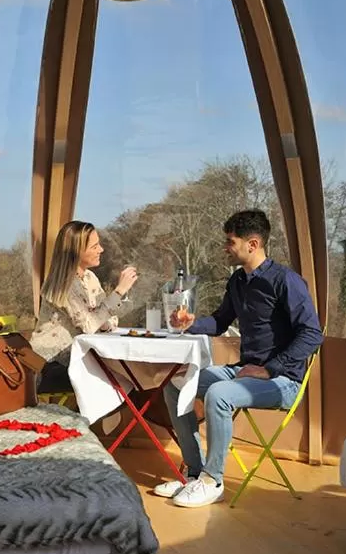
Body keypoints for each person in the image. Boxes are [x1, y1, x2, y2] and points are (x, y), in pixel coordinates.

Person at [154, 209, 323, 508]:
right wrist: (190, 322)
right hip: (244, 372)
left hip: (282, 381)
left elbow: (312, 334)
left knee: (219, 395)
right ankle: (194, 473)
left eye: (230, 242)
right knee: (175, 383)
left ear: (253, 244)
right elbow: (220, 322)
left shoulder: (286, 281)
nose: (225, 248)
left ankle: (212, 480)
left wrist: (270, 369)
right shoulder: (237, 283)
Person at [29, 220, 138, 394]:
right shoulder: (64, 284)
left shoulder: (90, 278)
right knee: (117, 377)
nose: (101, 249)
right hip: (50, 364)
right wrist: (119, 291)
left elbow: (107, 321)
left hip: (77, 357)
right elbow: (89, 326)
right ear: (76, 251)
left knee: (129, 374)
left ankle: (111, 420)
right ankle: (102, 420)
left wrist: (104, 316)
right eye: (95, 246)